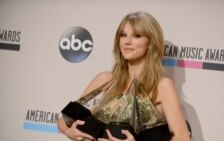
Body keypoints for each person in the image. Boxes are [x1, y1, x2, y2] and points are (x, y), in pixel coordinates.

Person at [57, 11, 191, 141]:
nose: (127, 41)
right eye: (123, 35)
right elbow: (63, 119)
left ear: (150, 43)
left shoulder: (162, 86)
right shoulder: (105, 79)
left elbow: (182, 137)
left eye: (136, 35)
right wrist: (69, 132)